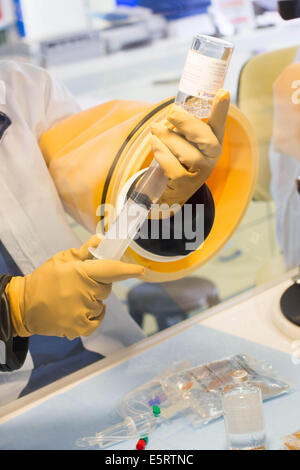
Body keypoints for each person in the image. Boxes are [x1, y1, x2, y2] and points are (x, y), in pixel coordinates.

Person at [0, 60, 229, 404]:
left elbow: (104, 197)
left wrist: (168, 195)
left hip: (111, 363)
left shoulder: (25, 90)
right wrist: (12, 310)